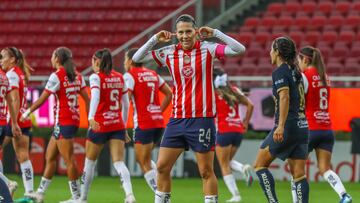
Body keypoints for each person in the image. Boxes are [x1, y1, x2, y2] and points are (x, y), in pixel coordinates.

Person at [132, 14, 246, 203]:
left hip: (202, 119)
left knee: (206, 171)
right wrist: (154, 39)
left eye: (188, 31)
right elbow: (137, 57)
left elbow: (239, 49)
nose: (184, 36)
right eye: (181, 32)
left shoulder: (207, 49)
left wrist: (216, 33)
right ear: (176, 34)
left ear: (195, 31)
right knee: (161, 167)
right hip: (177, 120)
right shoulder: (169, 52)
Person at [21, 47, 90, 203]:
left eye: (52, 56)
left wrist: (26, 113)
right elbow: (87, 99)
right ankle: (40, 192)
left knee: (69, 160)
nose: (51, 59)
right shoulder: (78, 76)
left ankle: (77, 197)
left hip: (64, 121)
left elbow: (43, 98)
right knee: (50, 156)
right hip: (72, 120)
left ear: (57, 58)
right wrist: (90, 117)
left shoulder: (57, 75)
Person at [292, 46, 352, 203]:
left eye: (299, 60)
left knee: (297, 171)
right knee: (325, 169)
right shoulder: (325, 76)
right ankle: (344, 195)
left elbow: (297, 100)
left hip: (310, 128)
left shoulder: (304, 76)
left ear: (305, 59)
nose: (299, 63)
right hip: (326, 129)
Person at [253, 37, 309, 203]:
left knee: (260, 165)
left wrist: (280, 126)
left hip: (288, 126)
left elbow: (284, 97)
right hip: (302, 125)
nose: (269, 53)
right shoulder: (296, 71)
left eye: (271, 49)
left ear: (277, 52)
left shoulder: (280, 72)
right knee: (299, 175)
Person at [79, 49, 135, 203]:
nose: (92, 63)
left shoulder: (96, 77)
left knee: (89, 163)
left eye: (92, 59)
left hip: (100, 125)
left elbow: (95, 97)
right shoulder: (120, 77)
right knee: (119, 162)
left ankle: (82, 198)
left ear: (97, 61)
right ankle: (130, 195)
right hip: (116, 124)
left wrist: (90, 117)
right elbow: (126, 104)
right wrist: (123, 127)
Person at [124, 48, 172, 192]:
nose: (124, 62)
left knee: (143, 161)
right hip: (157, 122)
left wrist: (122, 124)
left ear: (131, 61)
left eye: (125, 59)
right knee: (146, 159)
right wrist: (157, 111)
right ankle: (161, 185)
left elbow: (126, 100)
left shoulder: (130, 75)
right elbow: (169, 94)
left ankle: (161, 194)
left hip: (144, 123)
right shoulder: (153, 74)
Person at [213, 68, 253, 203]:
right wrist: (246, 123)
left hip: (224, 131)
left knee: (223, 164)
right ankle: (243, 168)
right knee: (227, 162)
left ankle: (236, 195)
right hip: (237, 131)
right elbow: (250, 105)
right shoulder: (234, 90)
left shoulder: (214, 93)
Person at [0, 47, 35, 198]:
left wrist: (12, 121)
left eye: (3, 57)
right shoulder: (20, 74)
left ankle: (6, 183)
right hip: (24, 118)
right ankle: (29, 191)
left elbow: (14, 99)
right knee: (23, 156)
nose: (1, 61)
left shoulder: (11, 74)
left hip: (12, 119)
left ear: (12, 59)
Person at [0, 60, 22, 197]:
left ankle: (7, 183)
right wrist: (14, 123)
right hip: (2, 122)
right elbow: (10, 101)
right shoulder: (4, 76)